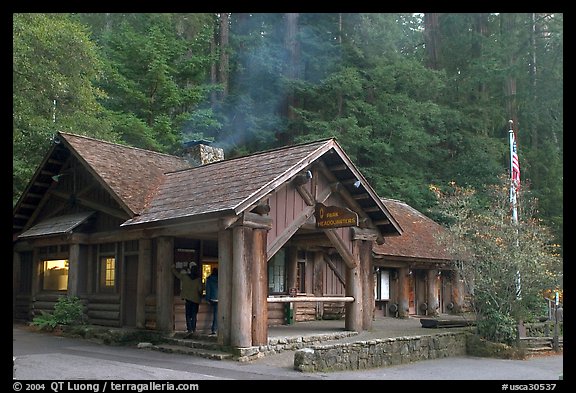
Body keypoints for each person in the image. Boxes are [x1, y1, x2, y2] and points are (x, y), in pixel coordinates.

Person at [171, 262, 202, 337]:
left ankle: (189, 329)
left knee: (188, 315)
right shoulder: (198, 279)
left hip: (188, 299)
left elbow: (177, 275)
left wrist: (172, 268)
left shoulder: (185, 276)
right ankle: (194, 329)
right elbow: (200, 290)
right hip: (195, 300)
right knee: (194, 315)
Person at [205, 268, 218, 335]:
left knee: (215, 314)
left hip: (212, 298)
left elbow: (208, 289)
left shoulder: (209, 279)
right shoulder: (220, 279)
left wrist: (207, 299)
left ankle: (214, 329)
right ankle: (215, 329)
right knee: (217, 314)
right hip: (220, 298)